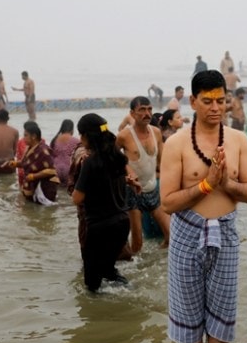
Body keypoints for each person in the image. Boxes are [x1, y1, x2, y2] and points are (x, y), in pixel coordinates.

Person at [159, 70, 247, 343]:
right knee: (189, 336)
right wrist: (205, 185)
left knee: (221, 331)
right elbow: (167, 203)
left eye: (220, 100)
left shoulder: (238, 140)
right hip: (187, 236)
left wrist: (225, 183)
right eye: (207, 101)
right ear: (192, 101)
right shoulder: (177, 143)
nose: (215, 108)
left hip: (225, 237)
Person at [72, 113, 135, 291]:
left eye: (81, 134)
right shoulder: (117, 156)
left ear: (86, 136)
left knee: (92, 285)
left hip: (99, 228)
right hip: (122, 224)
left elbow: (77, 198)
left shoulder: (90, 162)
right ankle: (129, 296)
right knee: (109, 271)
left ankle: (97, 317)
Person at [117, 96, 171, 246]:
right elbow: (113, 158)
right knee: (137, 241)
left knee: (170, 236)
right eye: (142, 110)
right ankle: (138, 267)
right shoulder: (124, 136)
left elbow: (162, 161)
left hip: (152, 187)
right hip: (133, 191)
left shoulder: (156, 132)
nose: (147, 113)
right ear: (132, 113)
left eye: (149, 109)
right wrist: (127, 170)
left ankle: (157, 266)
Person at [6, 121, 59, 204]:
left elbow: (52, 171)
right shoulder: (30, 148)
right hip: (33, 187)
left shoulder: (43, 150)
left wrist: (34, 176)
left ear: (33, 136)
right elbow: (26, 163)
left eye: (26, 135)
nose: (23, 138)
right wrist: (16, 164)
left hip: (44, 188)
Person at [50, 119, 80, 186]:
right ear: (72, 129)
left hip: (56, 169)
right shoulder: (76, 141)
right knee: (68, 193)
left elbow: (50, 156)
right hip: (69, 169)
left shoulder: (54, 140)